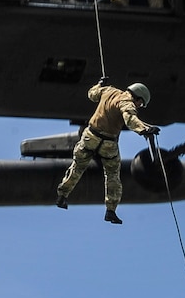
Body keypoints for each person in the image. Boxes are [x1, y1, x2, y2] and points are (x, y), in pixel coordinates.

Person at [55, 80, 159, 224]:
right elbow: (130, 119)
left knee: (77, 167)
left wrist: (99, 85)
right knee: (112, 176)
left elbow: (92, 94)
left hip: (90, 136)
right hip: (108, 144)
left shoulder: (108, 90)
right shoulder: (127, 103)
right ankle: (110, 211)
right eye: (140, 103)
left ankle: (62, 196)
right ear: (138, 97)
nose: (139, 106)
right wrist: (144, 130)